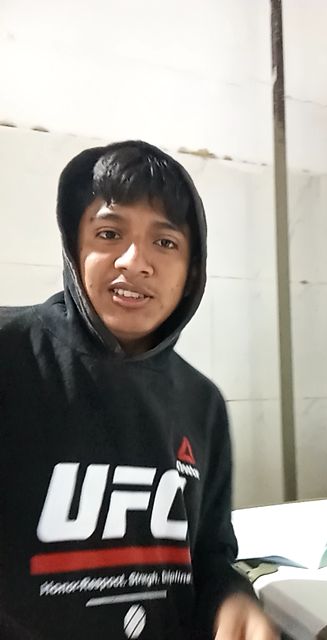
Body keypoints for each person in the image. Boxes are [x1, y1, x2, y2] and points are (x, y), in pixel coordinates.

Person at [0, 140, 277, 640]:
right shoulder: (11, 356)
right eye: (109, 234)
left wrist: (233, 598)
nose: (135, 262)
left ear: (192, 270)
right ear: (74, 247)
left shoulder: (202, 403)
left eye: (165, 243)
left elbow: (210, 559)